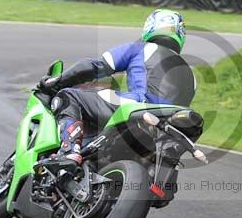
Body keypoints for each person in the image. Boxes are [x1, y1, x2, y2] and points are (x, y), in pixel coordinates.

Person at [37, 9, 195, 170]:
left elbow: (94, 66)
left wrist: (57, 81)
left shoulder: (141, 48)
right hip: (167, 127)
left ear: (150, 27)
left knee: (68, 97)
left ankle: (69, 150)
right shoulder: (191, 74)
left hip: (139, 107)